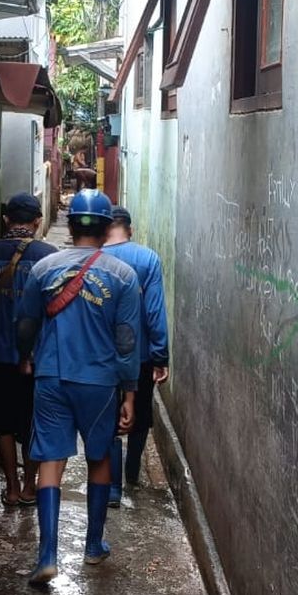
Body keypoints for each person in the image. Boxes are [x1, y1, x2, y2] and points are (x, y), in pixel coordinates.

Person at [15, 190, 142, 584]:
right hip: (99, 383)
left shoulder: (44, 269)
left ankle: (48, 554)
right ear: (106, 230)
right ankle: (92, 546)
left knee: (51, 461)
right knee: (99, 458)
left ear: (70, 226)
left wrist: (26, 355)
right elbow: (126, 343)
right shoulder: (123, 277)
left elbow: (25, 324)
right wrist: (130, 393)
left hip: (52, 376)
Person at [0, 193, 58, 506]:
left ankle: (10, 487)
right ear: (37, 222)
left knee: (4, 424)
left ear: (7, 219)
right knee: (34, 421)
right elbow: (56, 310)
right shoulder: (51, 258)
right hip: (38, 360)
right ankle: (29, 486)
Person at [103, 206, 170, 507]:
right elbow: (154, 311)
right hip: (140, 356)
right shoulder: (147, 259)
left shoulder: (94, 259)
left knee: (108, 414)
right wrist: (160, 357)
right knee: (140, 414)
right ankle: (132, 471)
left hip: (102, 356)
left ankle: (113, 486)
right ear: (129, 229)